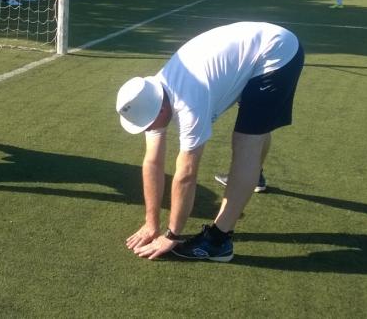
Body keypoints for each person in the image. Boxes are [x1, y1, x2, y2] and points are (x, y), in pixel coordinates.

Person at [116, 22, 304, 262]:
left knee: (246, 141)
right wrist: (151, 223)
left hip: (277, 55)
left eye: (148, 124)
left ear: (161, 110)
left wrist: (172, 235)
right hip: (251, 52)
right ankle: (253, 176)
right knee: (254, 131)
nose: (149, 129)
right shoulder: (152, 94)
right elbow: (152, 162)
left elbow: (186, 174)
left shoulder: (189, 106)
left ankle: (219, 240)